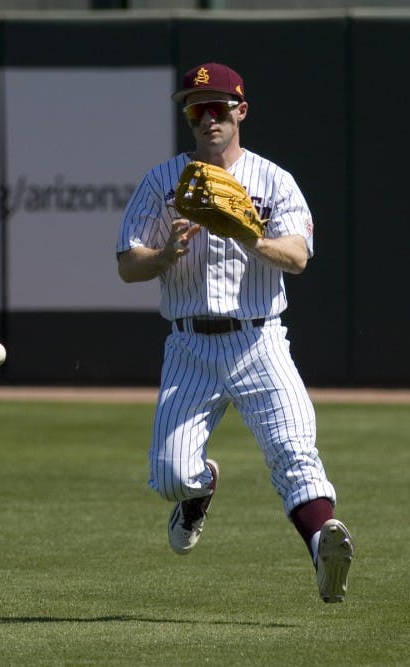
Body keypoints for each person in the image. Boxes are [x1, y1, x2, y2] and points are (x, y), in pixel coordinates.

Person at [116, 62, 354, 603]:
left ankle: (323, 547)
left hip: (258, 339)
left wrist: (248, 233)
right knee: (171, 475)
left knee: (294, 449)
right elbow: (127, 264)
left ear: (240, 111)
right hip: (189, 346)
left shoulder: (274, 180)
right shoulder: (161, 182)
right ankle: (196, 495)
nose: (207, 117)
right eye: (196, 108)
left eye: (218, 107)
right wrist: (165, 254)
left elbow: (297, 256)